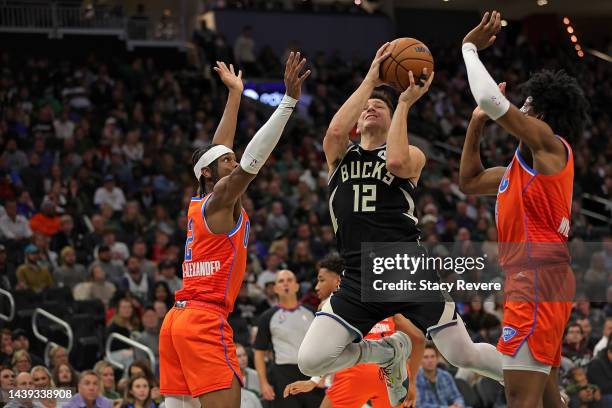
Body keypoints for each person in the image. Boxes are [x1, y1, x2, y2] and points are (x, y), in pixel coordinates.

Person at [298, 41, 504, 407]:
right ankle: (388, 354)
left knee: (462, 354)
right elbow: (332, 134)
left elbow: (394, 163)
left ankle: (536, 378)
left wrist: (404, 102)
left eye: (381, 106)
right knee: (310, 359)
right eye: (366, 108)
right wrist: (371, 80)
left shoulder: (412, 154)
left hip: (403, 267)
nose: (372, 107)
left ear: (394, 122)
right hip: (358, 273)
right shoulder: (340, 156)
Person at [159, 55, 310, 408]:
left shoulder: (203, 198)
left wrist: (235, 95)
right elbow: (248, 163)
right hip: (203, 321)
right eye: (228, 162)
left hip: (178, 320)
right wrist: (288, 101)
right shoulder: (220, 198)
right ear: (211, 174)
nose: (234, 159)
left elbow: (218, 151)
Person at [458, 10, 588, 408]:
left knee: (520, 398)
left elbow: (489, 98)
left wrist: (468, 50)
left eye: (527, 102)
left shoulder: (549, 143)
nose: (520, 107)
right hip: (539, 277)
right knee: (548, 396)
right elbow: (469, 181)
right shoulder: (516, 171)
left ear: (542, 114)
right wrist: (476, 125)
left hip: (535, 277)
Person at [286, 254, 425, 407]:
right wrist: (411, 382)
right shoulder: (384, 300)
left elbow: (323, 354)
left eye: (321, 280)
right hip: (393, 375)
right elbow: (418, 338)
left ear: (338, 280)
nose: (317, 287)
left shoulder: (329, 306)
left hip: (357, 371)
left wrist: (313, 380)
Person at [253, 270, 323, 408]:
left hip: (311, 372)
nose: (285, 283)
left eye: (289, 280)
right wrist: (263, 383)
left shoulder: (313, 313)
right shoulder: (267, 317)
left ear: (297, 286)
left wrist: (322, 376)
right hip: (282, 376)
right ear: (275, 289)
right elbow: (259, 352)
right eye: (281, 281)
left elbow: (323, 347)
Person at [416, 344, 465, 408]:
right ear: (420, 360)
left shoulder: (446, 376)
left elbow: (457, 397)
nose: (430, 360)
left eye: (432, 356)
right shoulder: (415, 379)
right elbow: (420, 405)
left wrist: (458, 405)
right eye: (426, 357)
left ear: (437, 359)